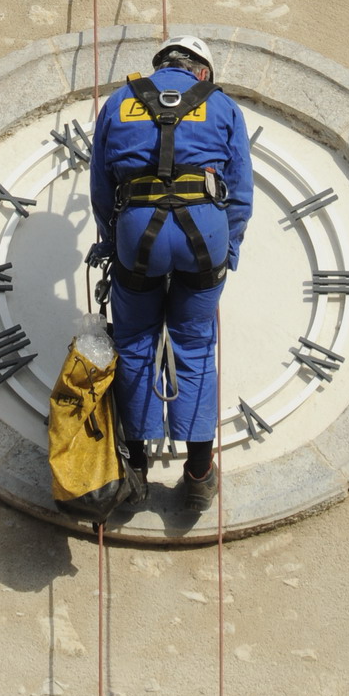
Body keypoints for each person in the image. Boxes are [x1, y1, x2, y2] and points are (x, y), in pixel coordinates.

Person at [89, 35, 253, 511]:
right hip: (204, 229)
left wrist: (109, 239)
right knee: (195, 340)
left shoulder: (121, 101)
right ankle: (199, 472)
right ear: (202, 71)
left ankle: (134, 465)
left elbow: (101, 183)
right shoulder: (220, 105)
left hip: (138, 231)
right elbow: (239, 188)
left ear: (162, 65)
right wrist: (230, 248)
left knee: (134, 341)